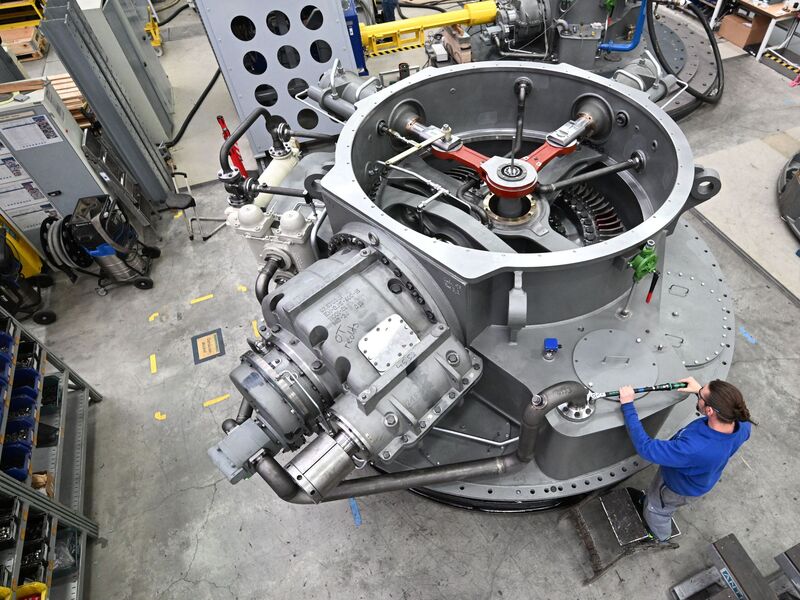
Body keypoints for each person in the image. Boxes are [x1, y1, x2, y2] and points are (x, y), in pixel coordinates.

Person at [619, 376, 754, 542]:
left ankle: (660, 536)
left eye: (701, 395)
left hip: (677, 487)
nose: (699, 392)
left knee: (658, 509)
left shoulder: (696, 448)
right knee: (656, 499)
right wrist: (698, 391)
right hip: (695, 475)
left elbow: (646, 448)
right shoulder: (742, 424)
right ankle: (650, 503)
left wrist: (628, 406)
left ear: (710, 411)